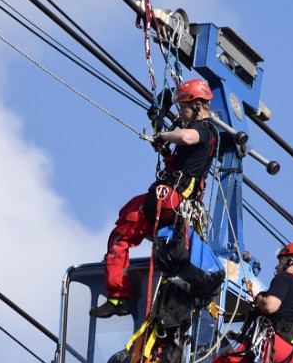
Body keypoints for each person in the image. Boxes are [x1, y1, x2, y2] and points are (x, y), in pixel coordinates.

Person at [90, 78, 219, 318]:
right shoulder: (193, 133)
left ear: (199, 105)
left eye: (184, 107)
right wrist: (164, 147)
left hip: (173, 202)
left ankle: (125, 294)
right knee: (123, 227)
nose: (181, 112)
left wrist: (164, 134)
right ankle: (118, 296)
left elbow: (188, 137)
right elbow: (182, 153)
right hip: (166, 199)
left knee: (130, 222)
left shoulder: (206, 129)